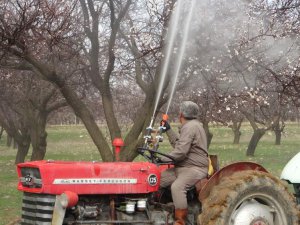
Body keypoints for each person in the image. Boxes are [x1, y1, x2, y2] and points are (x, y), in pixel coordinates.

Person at [160, 101, 209, 225]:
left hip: (194, 168)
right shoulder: (191, 125)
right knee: (156, 180)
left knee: (178, 187)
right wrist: (169, 130)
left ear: (181, 114)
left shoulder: (190, 127)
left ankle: (181, 221)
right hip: (182, 167)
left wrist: (162, 159)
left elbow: (181, 152)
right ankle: (157, 210)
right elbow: (180, 145)